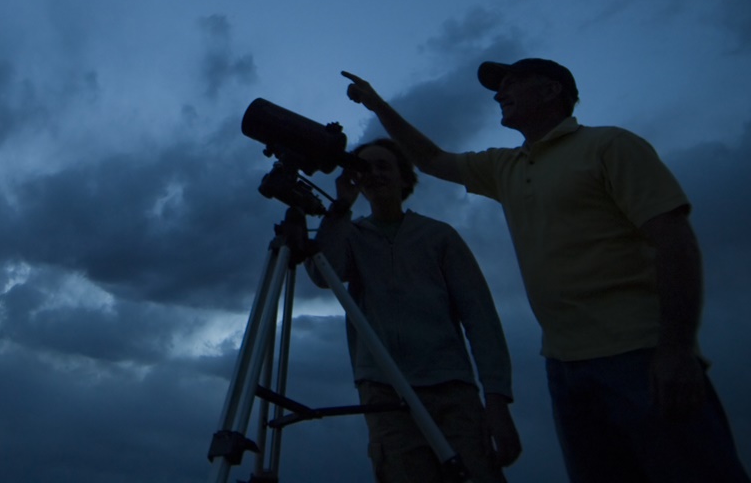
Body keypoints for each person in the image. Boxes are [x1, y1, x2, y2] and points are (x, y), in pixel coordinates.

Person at [342, 59, 750, 483]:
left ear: (552, 90)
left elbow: (674, 239)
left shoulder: (610, 146)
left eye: (512, 83)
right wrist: (376, 103)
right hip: (565, 366)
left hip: (641, 355)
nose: (500, 94)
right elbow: (429, 157)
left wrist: (677, 349)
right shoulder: (506, 166)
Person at [302, 137, 521, 483]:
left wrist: (497, 399)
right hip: (384, 391)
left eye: (383, 166)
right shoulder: (353, 234)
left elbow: (479, 317)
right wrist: (340, 208)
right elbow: (322, 273)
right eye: (364, 169)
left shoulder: (439, 237)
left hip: (451, 389)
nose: (373, 174)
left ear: (405, 178)